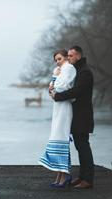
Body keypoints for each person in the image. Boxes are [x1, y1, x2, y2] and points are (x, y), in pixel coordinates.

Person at [51, 45, 94, 189]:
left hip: (83, 115)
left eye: (70, 56)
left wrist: (57, 96)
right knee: (80, 146)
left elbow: (77, 91)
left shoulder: (85, 72)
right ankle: (82, 177)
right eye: (67, 56)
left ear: (78, 56)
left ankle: (87, 180)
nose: (68, 58)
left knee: (83, 147)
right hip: (78, 115)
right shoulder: (79, 70)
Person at [39, 49, 76, 188]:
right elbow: (51, 89)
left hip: (65, 106)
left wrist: (54, 81)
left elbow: (62, 87)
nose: (58, 62)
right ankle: (61, 173)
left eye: (59, 58)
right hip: (59, 106)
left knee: (61, 136)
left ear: (66, 57)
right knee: (56, 135)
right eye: (56, 60)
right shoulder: (60, 70)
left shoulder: (69, 68)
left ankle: (64, 174)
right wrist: (54, 81)